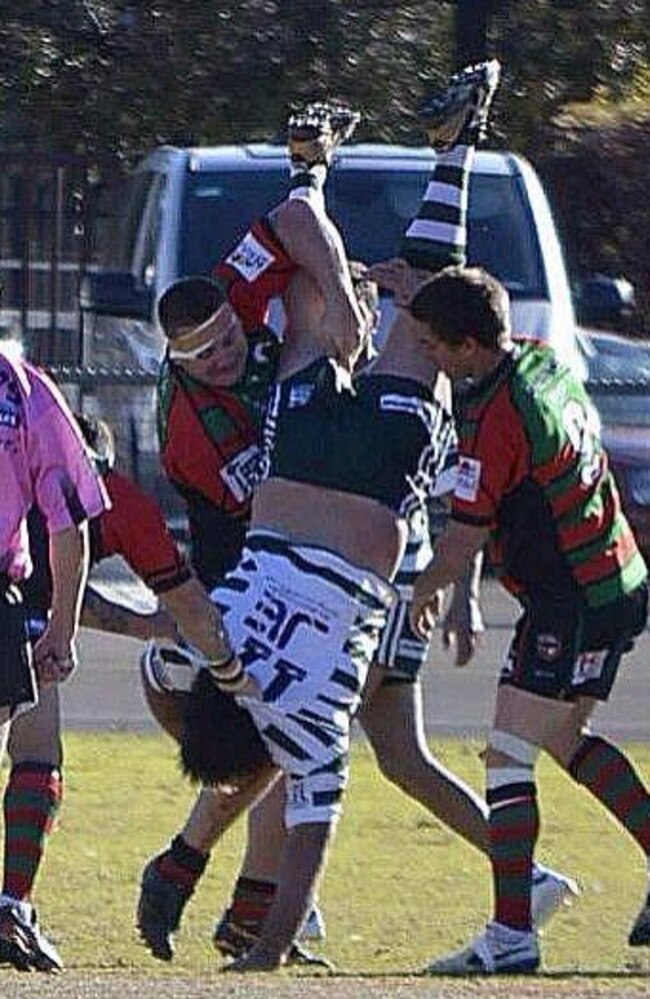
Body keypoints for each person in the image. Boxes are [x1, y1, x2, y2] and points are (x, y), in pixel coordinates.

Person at [137, 64, 577, 968]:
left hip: (346, 485)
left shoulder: (299, 722)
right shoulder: (188, 442)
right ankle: (437, 154)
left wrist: (339, 287)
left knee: (383, 315)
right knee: (411, 311)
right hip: (321, 486)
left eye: (227, 340)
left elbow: (311, 832)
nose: (224, 354)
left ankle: (423, 153)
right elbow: (181, 627)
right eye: (208, 352)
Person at [407, 263, 650, 974]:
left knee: (509, 754)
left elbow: (459, 540)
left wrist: (414, 593)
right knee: (564, 736)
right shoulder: (537, 360)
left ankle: (512, 935)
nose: (427, 356)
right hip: (618, 577)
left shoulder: (497, 419)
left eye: (432, 345)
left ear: (469, 348)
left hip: (570, 597)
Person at [2, 412, 241, 974]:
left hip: (21, 620)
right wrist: (219, 658)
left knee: (37, 747)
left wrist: (155, 627)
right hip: (12, 619)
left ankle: (13, 908)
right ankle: (13, 904)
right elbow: (149, 589)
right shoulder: (109, 500)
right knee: (37, 756)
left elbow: (73, 595)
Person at [0, 345, 108, 972]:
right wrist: (61, 626)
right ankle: (13, 903)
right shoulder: (25, 392)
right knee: (36, 754)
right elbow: (69, 519)